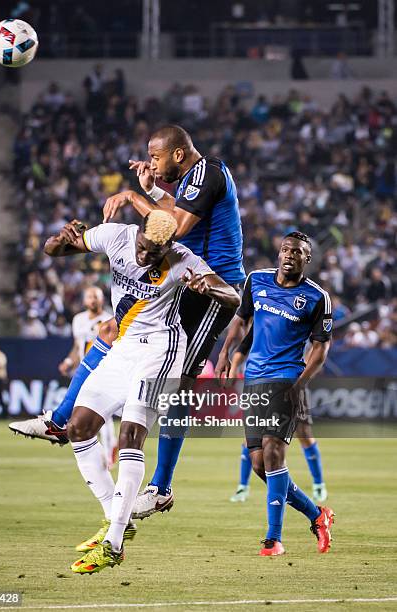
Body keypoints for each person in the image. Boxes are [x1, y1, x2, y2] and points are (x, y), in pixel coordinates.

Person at [8, 125, 245, 521]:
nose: (150, 163)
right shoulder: (191, 180)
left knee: (179, 384)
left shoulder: (208, 173)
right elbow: (170, 220)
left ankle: (161, 487)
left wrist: (135, 196)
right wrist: (153, 191)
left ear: (179, 155)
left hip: (209, 286)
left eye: (155, 157)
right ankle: (59, 419)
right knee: (111, 329)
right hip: (179, 278)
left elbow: (174, 229)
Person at [40, 211, 240, 573]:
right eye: (144, 248)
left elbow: (233, 297)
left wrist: (206, 287)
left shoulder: (182, 259)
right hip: (125, 347)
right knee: (78, 428)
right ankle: (116, 519)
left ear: (169, 246)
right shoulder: (115, 235)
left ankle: (113, 544)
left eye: (155, 252)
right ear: (139, 235)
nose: (146, 257)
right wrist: (60, 238)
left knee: (131, 436)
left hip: (161, 351)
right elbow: (53, 249)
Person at [216, 232, 334, 556]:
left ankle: (273, 537)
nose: (289, 255)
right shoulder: (256, 281)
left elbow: (320, 351)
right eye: (285, 249)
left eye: (297, 252)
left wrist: (299, 387)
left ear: (306, 259)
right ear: (278, 252)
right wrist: (226, 353)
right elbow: (240, 321)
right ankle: (317, 515)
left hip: (286, 379)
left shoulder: (316, 297)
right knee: (258, 464)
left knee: (273, 453)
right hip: (254, 379)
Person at [10, 287, 118, 466]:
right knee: (95, 411)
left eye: (96, 297)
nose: (93, 300)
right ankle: (109, 446)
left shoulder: (108, 320)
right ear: (84, 300)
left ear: (101, 299)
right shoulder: (78, 320)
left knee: (101, 413)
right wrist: (69, 361)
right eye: (89, 296)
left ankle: (107, 454)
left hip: (104, 370)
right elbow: (78, 346)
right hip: (86, 369)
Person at [228, 329, 328, 504]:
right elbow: (244, 345)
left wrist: (304, 370)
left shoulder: (299, 311)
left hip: (291, 381)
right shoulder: (263, 319)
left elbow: (320, 343)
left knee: (303, 434)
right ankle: (242, 487)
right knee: (250, 439)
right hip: (260, 382)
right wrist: (234, 367)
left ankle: (318, 485)